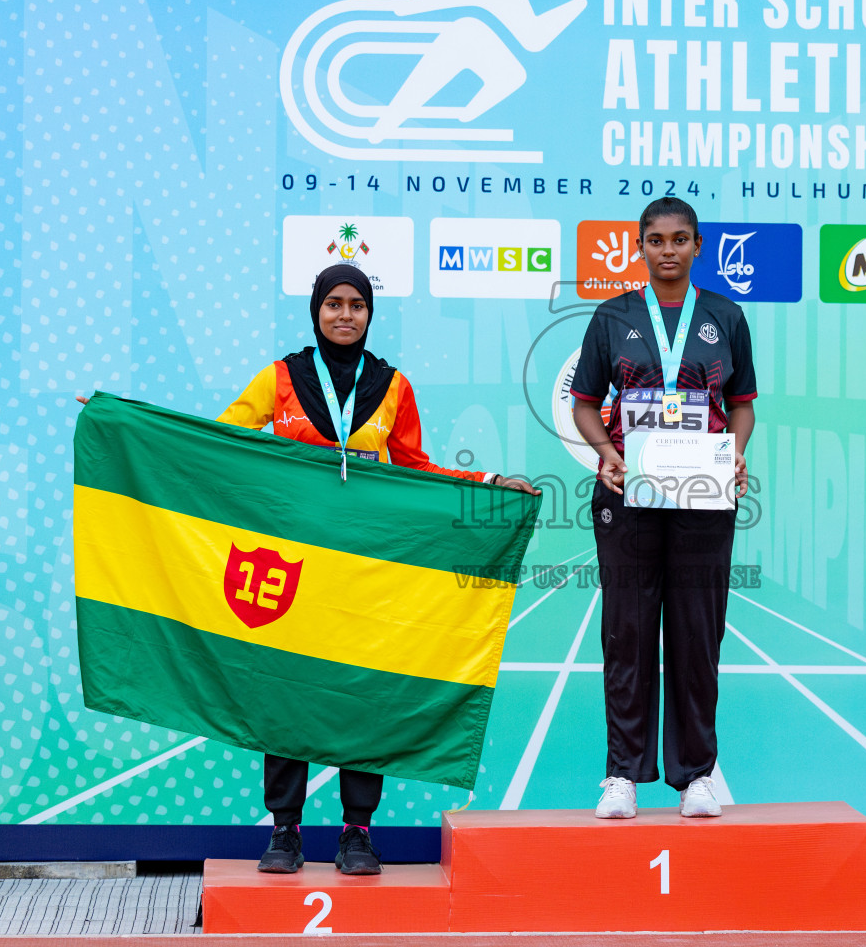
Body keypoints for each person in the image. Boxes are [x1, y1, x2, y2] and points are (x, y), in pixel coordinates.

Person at [216, 263, 537, 876]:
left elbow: (415, 467)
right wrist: (129, 425)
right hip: (292, 571)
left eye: (356, 304)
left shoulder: (392, 387)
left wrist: (489, 483)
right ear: (315, 311)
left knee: (365, 697)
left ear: (369, 313)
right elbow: (221, 442)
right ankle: (285, 833)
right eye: (332, 303)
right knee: (287, 697)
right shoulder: (281, 379)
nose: (344, 314)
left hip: (368, 574)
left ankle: (357, 833)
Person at [570, 197, 756, 820]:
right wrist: (606, 452)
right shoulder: (612, 316)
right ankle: (622, 773)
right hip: (628, 492)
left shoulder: (726, 316)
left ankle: (695, 774)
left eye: (680, 239)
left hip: (704, 494)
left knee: (697, 633)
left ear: (698, 246)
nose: (668, 250)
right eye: (656, 240)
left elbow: (743, 404)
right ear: (640, 246)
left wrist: (736, 453)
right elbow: (584, 402)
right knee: (626, 632)